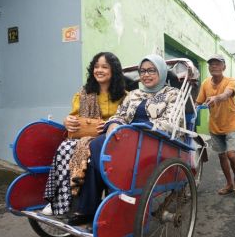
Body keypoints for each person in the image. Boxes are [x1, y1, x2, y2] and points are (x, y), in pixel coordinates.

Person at [68, 54, 180, 226]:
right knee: (97, 144)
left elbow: (171, 123)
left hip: (154, 141)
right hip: (128, 138)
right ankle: (91, 207)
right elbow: (120, 114)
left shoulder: (173, 95)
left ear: (162, 72)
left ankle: (112, 197)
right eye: (142, 71)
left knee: (99, 149)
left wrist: (141, 128)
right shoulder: (134, 94)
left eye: (151, 70)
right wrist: (113, 124)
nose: (146, 75)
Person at [42, 52, 126, 216]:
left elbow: (126, 120)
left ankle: (87, 205)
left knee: (91, 153)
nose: (99, 70)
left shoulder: (125, 96)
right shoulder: (83, 93)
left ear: (113, 71)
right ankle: (59, 201)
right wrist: (68, 120)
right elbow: (73, 117)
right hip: (83, 136)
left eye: (104, 67)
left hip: (110, 140)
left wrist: (109, 124)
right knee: (65, 148)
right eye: (96, 67)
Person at [196, 54, 235, 197]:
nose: (214, 66)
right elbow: (198, 102)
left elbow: (227, 94)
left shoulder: (231, 81)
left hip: (230, 124)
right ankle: (229, 184)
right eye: (211, 64)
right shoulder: (205, 83)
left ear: (224, 67)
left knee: (231, 154)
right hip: (215, 126)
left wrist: (217, 98)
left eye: (218, 63)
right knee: (222, 156)